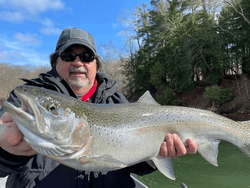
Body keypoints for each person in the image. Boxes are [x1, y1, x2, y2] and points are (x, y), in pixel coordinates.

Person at [0, 28, 197, 188]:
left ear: (96, 64)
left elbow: (136, 165)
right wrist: (6, 152)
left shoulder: (120, 104)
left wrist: (157, 153)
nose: (78, 62)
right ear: (55, 62)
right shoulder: (29, 100)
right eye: (68, 55)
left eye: (86, 56)